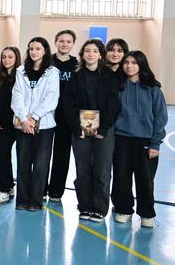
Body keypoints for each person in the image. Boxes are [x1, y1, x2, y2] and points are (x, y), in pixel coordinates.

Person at [61, 38, 120, 222]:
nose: (91, 54)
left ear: (100, 55)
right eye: (87, 51)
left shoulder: (109, 76)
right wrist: (76, 126)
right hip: (80, 130)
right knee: (83, 171)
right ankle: (85, 206)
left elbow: (113, 104)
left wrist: (103, 127)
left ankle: (99, 208)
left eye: (95, 51)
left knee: (102, 171)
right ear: (82, 54)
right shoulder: (76, 76)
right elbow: (68, 103)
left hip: (103, 131)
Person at [111, 51, 167, 228]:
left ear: (141, 65)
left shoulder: (153, 88)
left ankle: (147, 214)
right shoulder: (118, 86)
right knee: (121, 177)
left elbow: (160, 117)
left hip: (146, 141)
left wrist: (155, 143)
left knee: (145, 180)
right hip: (121, 139)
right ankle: (124, 210)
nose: (129, 66)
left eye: (134, 62)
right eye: (126, 62)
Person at [11, 37, 60, 212]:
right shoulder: (21, 70)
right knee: (23, 163)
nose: (34, 52)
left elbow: (51, 98)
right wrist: (24, 119)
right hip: (23, 124)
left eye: (38, 48)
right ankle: (22, 199)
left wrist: (34, 117)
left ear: (45, 51)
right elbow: (17, 96)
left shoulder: (52, 72)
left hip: (44, 126)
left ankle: (36, 200)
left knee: (40, 164)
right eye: (31, 48)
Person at [47, 29, 78, 202]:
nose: (65, 44)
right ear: (56, 42)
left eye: (68, 41)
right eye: (61, 41)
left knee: (62, 155)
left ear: (73, 44)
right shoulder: (47, 61)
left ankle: (56, 191)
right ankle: (40, 187)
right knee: (42, 154)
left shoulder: (77, 65)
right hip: (46, 115)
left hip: (66, 118)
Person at [0, 46, 21, 205]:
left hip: (10, 125)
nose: (6, 60)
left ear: (16, 59)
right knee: (2, 157)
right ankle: (9, 186)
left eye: (10, 57)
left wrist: (3, 121)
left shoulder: (19, 78)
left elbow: (15, 104)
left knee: (1, 156)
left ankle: (3, 190)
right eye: (4, 57)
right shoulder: (1, 77)